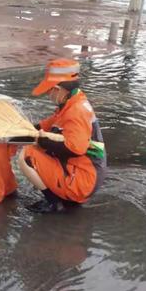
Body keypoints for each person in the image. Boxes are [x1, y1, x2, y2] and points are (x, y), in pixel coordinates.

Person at [18, 58, 107, 214]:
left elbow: (76, 149)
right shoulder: (74, 100)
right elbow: (52, 122)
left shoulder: (76, 111)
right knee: (40, 146)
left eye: (48, 90)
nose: (47, 94)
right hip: (88, 173)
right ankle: (63, 195)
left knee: (27, 155)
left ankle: (54, 202)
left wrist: (41, 140)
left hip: (83, 181)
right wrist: (31, 129)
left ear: (58, 89)